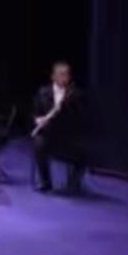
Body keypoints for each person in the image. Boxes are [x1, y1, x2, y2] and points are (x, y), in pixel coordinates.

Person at [32, 61, 87, 193]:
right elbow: (35, 113)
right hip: (48, 134)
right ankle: (45, 182)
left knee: (85, 149)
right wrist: (38, 120)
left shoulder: (74, 94)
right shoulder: (43, 92)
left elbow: (81, 116)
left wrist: (66, 107)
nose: (64, 78)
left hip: (67, 135)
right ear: (53, 76)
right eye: (61, 74)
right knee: (39, 144)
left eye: (66, 75)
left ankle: (73, 182)